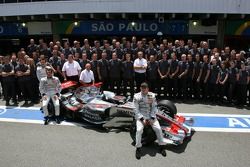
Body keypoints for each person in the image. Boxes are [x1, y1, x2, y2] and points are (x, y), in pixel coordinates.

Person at [133, 82, 166, 159]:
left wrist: (152, 118)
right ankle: (138, 148)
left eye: (145, 89)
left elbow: (154, 108)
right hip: (141, 116)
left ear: (148, 89)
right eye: (142, 89)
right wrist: (142, 119)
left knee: (158, 128)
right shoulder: (136, 96)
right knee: (139, 130)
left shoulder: (151, 95)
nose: (143, 90)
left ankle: (162, 146)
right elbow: (135, 109)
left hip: (151, 115)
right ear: (140, 88)